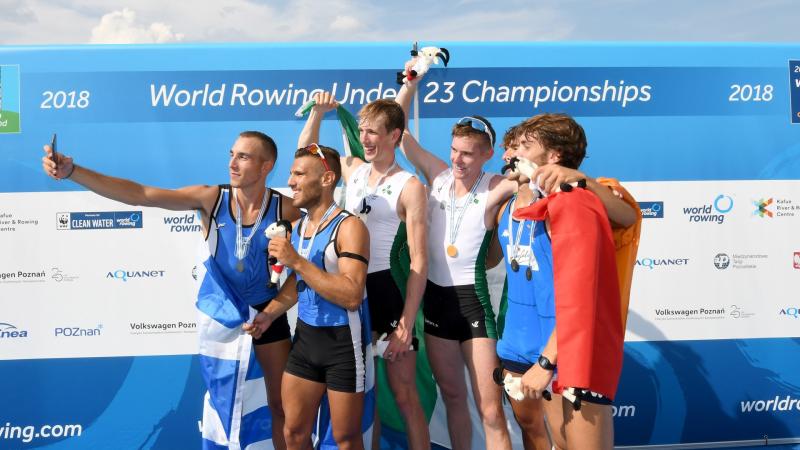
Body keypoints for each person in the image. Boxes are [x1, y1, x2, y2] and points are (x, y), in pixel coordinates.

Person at [41, 131, 299, 450]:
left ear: (266, 167)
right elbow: (142, 194)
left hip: (268, 315)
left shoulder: (287, 209)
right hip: (222, 321)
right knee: (223, 409)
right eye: (231, 154)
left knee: (281, 406)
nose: (232, 163)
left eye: (243, 157)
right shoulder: (211, 198)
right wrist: (73, 171)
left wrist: (273, 311)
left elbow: (306, 267)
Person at [491, 115, 638, 450]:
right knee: (555, 441)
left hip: (576, 353)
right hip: (548, 348)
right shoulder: (544, 202)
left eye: (524, 146)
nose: (512, 155)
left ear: (554, 156)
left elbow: (583, 294)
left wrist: (546, 361)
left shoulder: (577, 201)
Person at [296, 92, 431, 450]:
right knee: (361, 395)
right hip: (348, 289)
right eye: (362, 130)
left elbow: (419, 260)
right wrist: (319, 114)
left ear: (394, 136)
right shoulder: (352, 170)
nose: (366, 138)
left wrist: (405, 324)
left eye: (373, 132)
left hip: (387, 291)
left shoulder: (410, 186)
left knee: (404, 396)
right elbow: (307, 155)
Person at [396, 71, 517, 450]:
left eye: (467, 153)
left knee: (491, 409)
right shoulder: (438, 176)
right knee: (452, 398)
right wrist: (409, 85)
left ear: (487, 154)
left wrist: (523, 167)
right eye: (454, 150)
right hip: (436, 302)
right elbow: (400, 135)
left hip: (473, 303)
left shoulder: (496, 185)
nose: (458, 159)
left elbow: (534, 180)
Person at [244, 144, 371, 450]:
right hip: (305, 342)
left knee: (346, 440)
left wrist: (297, 261)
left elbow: (352, 295)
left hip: (342, 344)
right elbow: (297, 285)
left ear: (327, 179)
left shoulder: (350, 226)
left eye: (299, 174)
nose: (290, 181)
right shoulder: (299, 228)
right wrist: (269, 314)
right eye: (291, 173)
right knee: (293, 432)